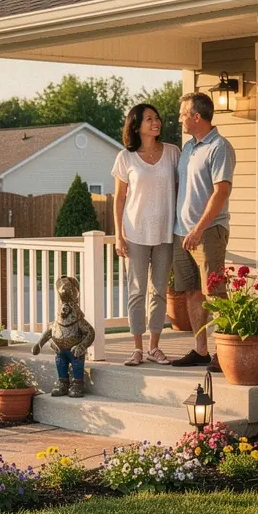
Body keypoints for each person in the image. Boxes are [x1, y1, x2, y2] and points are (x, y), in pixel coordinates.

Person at [170, 91, 236, 369]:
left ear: (197, 116)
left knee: (215, 291)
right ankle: (201, 351)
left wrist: (198, 229)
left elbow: (221, 191)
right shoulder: (188, 148)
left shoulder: (219, 147)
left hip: (208, 231)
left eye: (183, 114)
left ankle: (226, 352)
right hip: (181, 232)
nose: (180, 119)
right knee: (191, 292)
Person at [112, 103, 180, 366]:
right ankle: (137, 349)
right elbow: (119, 199)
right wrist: (119, 235)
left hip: (165, 232)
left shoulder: (173, 153)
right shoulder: (125, 158)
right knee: (137, 290)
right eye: (149, 119)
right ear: (136, 125)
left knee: (160, 290)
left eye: (157, 118)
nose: (156, 122)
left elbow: (179, 188)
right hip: (135, 233)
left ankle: (154, 347)